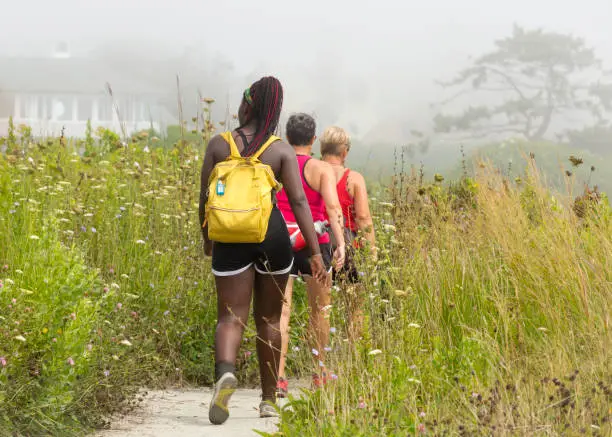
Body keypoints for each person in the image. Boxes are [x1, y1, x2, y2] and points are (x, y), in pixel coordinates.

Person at [198, 77, 328, 425]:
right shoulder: (280, 150)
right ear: (274, 110)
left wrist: (207, 237)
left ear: (246, 105)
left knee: (229, 317)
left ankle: (225, 374)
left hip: (229, 235)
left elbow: (203, 198)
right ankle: (269, 400)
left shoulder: (218, 144)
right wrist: (315, 252)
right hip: (271, 236)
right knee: (269, 320)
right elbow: (298, 201)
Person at [275, 113, 346, 398]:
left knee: (280, 312)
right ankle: (319, 373)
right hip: (316, 243)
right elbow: (332, 208)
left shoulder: (277, 164)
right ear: (314, 140)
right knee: (321, 310)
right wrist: (341, 244)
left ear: (287, 137)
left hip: (281, 241)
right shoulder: (320, 168)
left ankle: (277, 378)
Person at [320, 126, 376, 341]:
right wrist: (371, 250)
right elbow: (363, 217)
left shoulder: (312, 172)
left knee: (320, 308)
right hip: (349, 245)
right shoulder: (353, 178)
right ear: (344, 152)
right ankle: (353, 357)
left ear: (322, 149)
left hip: (319, 243)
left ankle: (320, 360)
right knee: (355, 307)